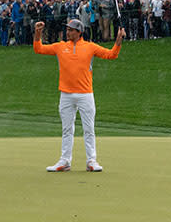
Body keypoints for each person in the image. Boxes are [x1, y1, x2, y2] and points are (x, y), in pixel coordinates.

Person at [34, 17, 123, 172]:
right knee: (67, 129)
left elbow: (111, 55)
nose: (67, 32)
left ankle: (91, 161)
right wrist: (37, 33)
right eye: (67, 29)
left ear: (79, 32)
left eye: (70, 30)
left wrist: (118, 41)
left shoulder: (90, 47)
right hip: (66, 94)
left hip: (85, 94)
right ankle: (65, 161)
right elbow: (39, 49)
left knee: (89, 129)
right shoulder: (60, 47)